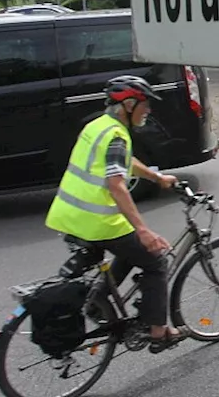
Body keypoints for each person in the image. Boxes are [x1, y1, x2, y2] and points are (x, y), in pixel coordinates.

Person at [43, 75, 190, 353]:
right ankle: (159, 331)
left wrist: (156, 177)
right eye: (145, 105)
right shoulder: (117, 135)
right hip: (95, 220)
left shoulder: (98, 125)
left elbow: (121, 161)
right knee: (156, 261)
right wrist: (145, 231)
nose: (148, 111)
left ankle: (98, 302)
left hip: (69, 215)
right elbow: (116, 185)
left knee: (128, 248)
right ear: (129, 104)